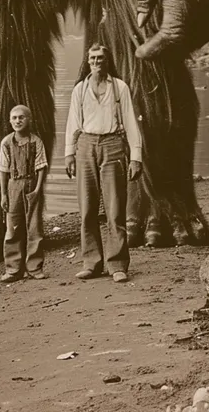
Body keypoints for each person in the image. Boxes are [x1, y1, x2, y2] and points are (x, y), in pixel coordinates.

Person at [65, 44, 142, 283]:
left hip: (113, 145)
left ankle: (117, 264)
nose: (97, 62)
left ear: (107, 61)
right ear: (87, 62)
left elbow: (130, 123)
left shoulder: (119, 87)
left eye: (100, 58)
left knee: (115, 208)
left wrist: (136, 157)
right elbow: (72, 123)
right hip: (85, 145)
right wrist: (69, 153)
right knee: (87, 209)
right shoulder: (80, 89)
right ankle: (91, 263)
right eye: (92, 58)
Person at [0, 104, 48, 283]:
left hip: (32, 184)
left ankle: (34, 268)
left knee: (34, 227)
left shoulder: (36, 141)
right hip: (13, 185)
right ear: (10, 121)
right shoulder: (6, 142)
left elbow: (41, 167)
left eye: (22, 117)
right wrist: (4, 194)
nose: (18, 121)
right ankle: (13, 269)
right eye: (14, 118)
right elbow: (3, 170)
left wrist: (37, 189)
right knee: (13, 228)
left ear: (29, 119)